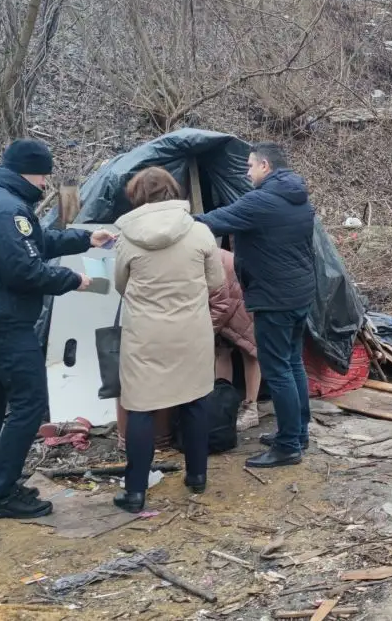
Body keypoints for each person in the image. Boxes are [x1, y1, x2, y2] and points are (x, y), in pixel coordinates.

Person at [0, 139, 115, 519]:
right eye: (44, 175)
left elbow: (32, 243)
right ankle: (2, 493)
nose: (46, 183)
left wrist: (85, 238)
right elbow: (25, 270)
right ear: (30, 172)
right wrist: (75, 280)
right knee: (29, 404)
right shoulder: (9, 209)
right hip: (2, 321)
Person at [111, 167, 225, 512]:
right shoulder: (200, 231)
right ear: (173, 192)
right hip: (191, 332)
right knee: (193, 401)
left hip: (145, 336)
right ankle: (197, 476)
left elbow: (120, 284)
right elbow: (217, 281)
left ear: (137, 195)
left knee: (141, 409)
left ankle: (135, 492)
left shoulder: (126, 237)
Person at [198, 143, 316, 468]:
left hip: (274, 298)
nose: (247, 172)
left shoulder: (262, 201)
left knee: (278, 371)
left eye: (250, 166)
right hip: (299, 293)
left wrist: (172, 221)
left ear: (265, 165)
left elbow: (213, 221)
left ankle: (288, 446)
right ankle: (297, 432)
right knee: (292, 364)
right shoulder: (298, 196)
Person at [209, 248, 262, 429]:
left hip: (242, 298)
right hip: (227, 297)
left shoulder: (205, 256)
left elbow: (221, 303)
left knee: (250, 351)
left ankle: (251, 409)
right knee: (221, 350)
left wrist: (207, 331)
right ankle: (224, 407)